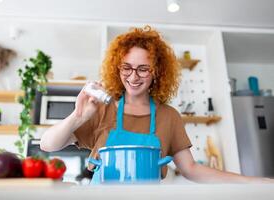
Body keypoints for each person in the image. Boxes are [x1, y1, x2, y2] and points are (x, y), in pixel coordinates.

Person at [40, 26, 273, 184]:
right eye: (126, 67)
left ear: (156, 73)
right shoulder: (101, 108)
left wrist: (254, 182)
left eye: (143, 69)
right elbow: (48, 145)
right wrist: (78, 117)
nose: (134, 76)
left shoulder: (169, 116)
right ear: (117, 68)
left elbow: (191, 169)